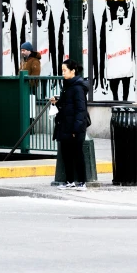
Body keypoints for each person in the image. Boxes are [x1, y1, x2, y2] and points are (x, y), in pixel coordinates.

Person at [51, 58, 89, 191]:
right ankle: (70, 181)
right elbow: (68, 105)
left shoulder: (77, 88)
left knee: (77, 154)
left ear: (72, 71)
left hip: (74, 127)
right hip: (66, 125)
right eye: (62, 70)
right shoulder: (68, 86)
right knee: (66, 154)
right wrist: (57, 101)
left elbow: (80, 109)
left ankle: (82, 182)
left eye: (64, 70)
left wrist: (76, 129)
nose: (63, 73)